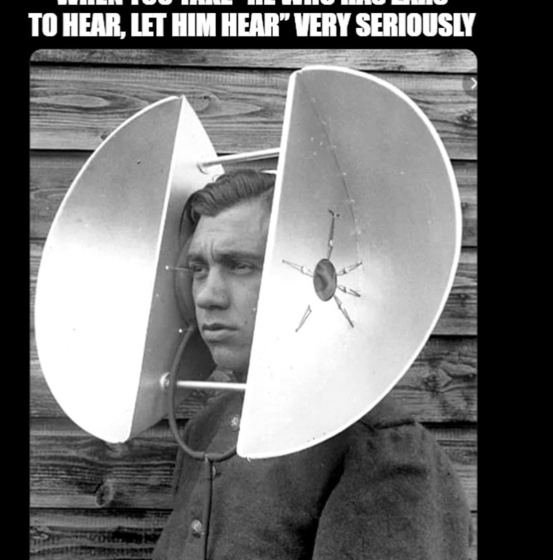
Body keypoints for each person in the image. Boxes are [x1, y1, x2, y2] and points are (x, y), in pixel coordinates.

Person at [152, 168, 472, 559]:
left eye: (239, 265)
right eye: (199, 269)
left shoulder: (380, 447)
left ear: (315, 280)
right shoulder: (205, 429)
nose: (207, 296)